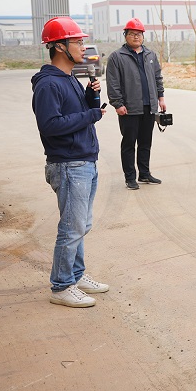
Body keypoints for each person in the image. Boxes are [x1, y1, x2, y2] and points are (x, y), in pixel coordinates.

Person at [32, 17, 109, 308]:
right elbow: (50, 125)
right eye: (77, 42)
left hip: (83, 161)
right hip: (68, 165)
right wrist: (90, 115)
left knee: (81, 225)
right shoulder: (48, 84)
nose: (83, 47)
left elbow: (74, 114)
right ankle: (62, 285)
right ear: (60, 47)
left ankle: (75, 275)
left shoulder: (69, 78)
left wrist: (91, 97)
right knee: (71, 227)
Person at [105, 17, 166, 190]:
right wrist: (117, 104)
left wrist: (160, 98)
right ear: (125, 35)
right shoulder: (117, 57)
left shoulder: (150, 55)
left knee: (145, 142)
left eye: (139, 34)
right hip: (129, 108)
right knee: (129, 143)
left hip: (149, 106)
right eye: (132, 33)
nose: (136, 36)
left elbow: (157, 77)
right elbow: (113, 83)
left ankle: (144, 174)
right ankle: (130, 177)